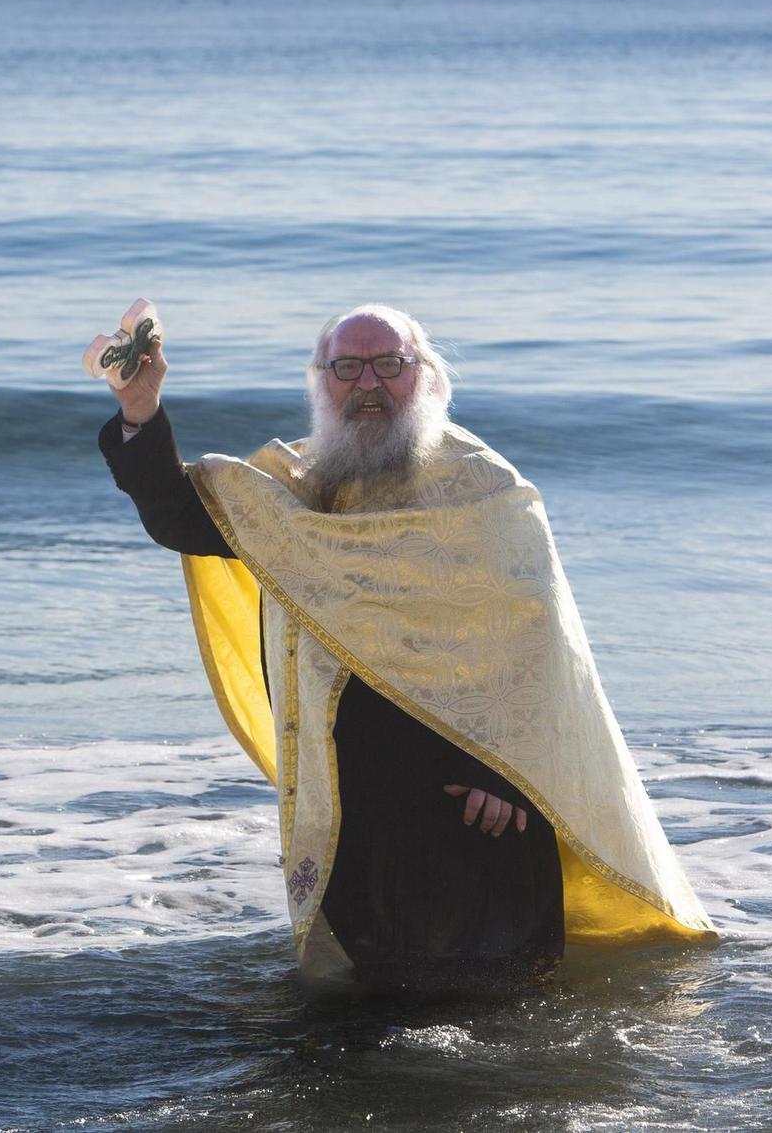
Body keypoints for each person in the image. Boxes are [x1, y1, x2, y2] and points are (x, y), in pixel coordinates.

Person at [98, 304, 713, 990]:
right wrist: (141, 412)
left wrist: (510, 773)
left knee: (488, 1017)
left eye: (390, 364)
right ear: (319, 381)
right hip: (355, 796)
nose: (369, 383)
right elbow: (181, 514)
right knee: (360, 1013)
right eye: (348, 366)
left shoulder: (484, 488)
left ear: (425, 377)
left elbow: (544, 643)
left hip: (473, 802)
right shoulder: (299, 488)